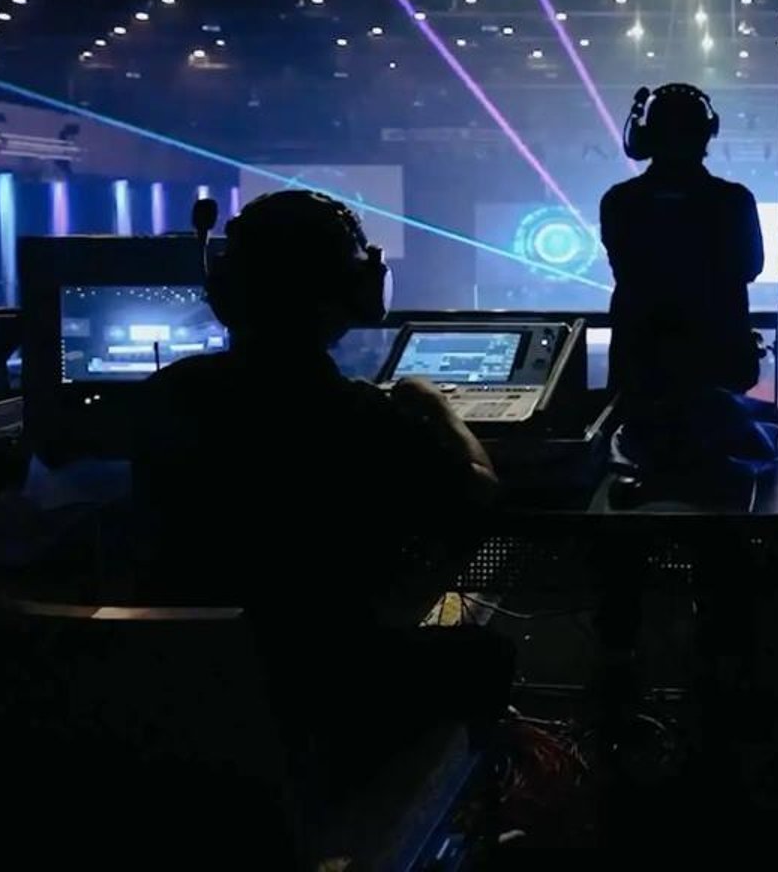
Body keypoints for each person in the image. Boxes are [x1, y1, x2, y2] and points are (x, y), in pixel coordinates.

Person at [131, 189, 504, 789]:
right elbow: (479, 496)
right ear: (357, 291)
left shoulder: (165, 395)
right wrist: (435, 405)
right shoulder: (361, 416)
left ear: (226, 291)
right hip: (325, 698)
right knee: (485, 653)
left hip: (187, 700)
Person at [600, 83, 774, 484]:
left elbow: (628, 271)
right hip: (717, 368)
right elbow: (750, 266)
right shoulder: (734, 200)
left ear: (645, 136)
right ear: (707, 133)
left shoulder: (619, 201)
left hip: (641, 368)